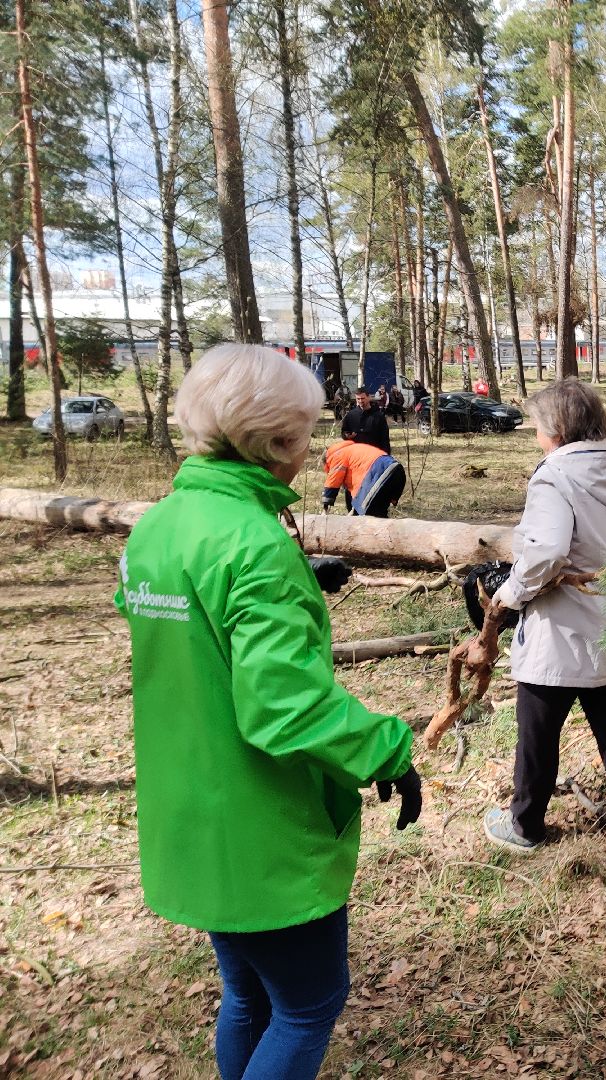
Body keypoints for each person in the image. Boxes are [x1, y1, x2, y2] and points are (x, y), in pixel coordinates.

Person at [116, 343, 422, 1080]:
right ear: (279, 441)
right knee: (309, 1005)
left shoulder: (158, 524)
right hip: (260, 828)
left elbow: (189, 631)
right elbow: (283, 709)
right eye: (306, 432)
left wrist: (294, 582)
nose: (310, 448)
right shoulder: (254, 543)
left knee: (247, 995)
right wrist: (387, 749)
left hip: (188, 813)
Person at [482, 377, 606, 880]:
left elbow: (546, 551)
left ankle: (524, 826)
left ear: (555, 430)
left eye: (536, 426)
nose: (534, 435)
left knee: (536, 736)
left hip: (561, 631)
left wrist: (511, 593)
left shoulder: (553, 477)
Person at [322, 436, 407, 518]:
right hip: (396, 471)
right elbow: (358, 493)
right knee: (379, 515)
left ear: (326, 463)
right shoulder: (354, 451)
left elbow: (333, 481)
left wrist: (325, 506)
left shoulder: (337, 455)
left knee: (369, 517)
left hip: (380, 471)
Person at [341, 386, 391, 454]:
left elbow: (385, 438)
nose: (360, 401)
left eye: (362, 398)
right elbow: (344, 431)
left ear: (369, 397)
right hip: (356, 453)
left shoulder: (379, 416)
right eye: (358, 399)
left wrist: (386, 454)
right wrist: (347, 435)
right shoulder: (350, 415)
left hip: (374, 453)